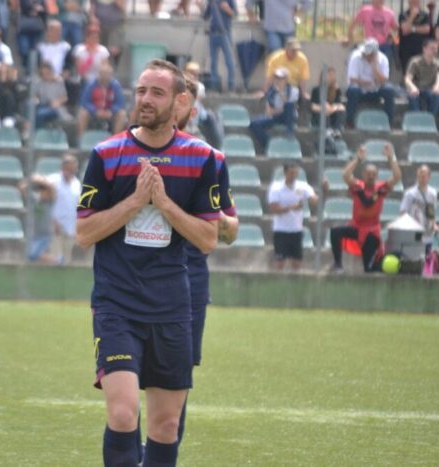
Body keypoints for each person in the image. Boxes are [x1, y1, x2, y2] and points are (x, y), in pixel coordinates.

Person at [76, 59, 220, 467]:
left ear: (179, 102)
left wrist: (164, 204)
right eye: (140, 91)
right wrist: (137, 201)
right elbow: (85, 233)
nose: (145, 100)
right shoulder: (106, 155)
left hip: (172, 305)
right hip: (116, 303)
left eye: (156, 93)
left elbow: (208, 238)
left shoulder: (201, 158)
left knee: (165, 426)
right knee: (123, 414)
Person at [174, 75, 238, 449]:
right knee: (125, 375)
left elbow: (230, 230)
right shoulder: (125, 150)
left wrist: (212, 221)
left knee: (178, 377)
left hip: (189, 279)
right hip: (132, 279)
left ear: (192, 109)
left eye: (183, 99)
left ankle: (163, 454)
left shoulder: (210, 160)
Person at [330, 144, 402, 274]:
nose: (371, 176)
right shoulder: (358, 186)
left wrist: (391, 158)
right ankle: (338, 265)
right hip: (357, 228)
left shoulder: (381, 188)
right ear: (363, 174)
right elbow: (346, 175)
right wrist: (358, 159)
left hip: (371, 232)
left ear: (377, 175)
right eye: (368, 173)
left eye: (374, 174)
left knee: (369, 269)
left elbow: (397, 177)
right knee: (335, 232)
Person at [267, 163, 319, 270]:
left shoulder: (303, 186)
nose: (294, 175)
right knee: (280, 262)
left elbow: (314, 200)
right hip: (281, 231)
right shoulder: (276, 187)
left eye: (295, 173)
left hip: (296, 230)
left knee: (296, 262)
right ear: (285, 173)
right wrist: (291, 207)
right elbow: (274, 209)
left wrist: (324, 192)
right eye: (291, 173)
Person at [345, 38, 395, 128]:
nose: (365, 55)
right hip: (360, 89)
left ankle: (389, 121)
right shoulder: (355, 57)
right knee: (353, 90)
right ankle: (349, 122)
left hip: (376, 90)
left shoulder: (383, 59)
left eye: (369, 54)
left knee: (389, 90)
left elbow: (384, 80)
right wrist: (368, 83)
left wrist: (375, 67)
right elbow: (352, 79)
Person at [249, 67, 299, 151]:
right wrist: (279, 110)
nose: (278, 80)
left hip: (289, 117)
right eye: (277, 78)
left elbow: (289, 106)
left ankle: (289, 132)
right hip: (276, 116)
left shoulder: (294, 90)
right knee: (254, 123)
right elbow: (268, 112)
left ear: (286, 79)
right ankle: (268, 145)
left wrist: (281, 93)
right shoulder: (271, 92)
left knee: (289, 106)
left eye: (281, 78)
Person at [48, 155, 82, 264]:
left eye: (74, 169)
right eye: (69, 168)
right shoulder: (52, 181)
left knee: (67, 262)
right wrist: (52, 221)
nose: (72, 171)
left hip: (70, 229)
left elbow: (78, 207)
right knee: (55, 261)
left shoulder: (76, 184)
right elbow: (44, 204)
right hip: (55, 228)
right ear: (63, 167)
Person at [77, 62, 127, 136]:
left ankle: (115, 139)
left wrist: (111, 111)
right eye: (103, 73)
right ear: (99, 74)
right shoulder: (91, 85)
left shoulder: (115, 86)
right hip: (94, 112)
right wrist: (95, 111)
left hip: (110, 113)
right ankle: (81, 139)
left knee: (122, 114)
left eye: (107, 74)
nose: (105, 76)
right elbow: (85, 101)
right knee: (82, 113)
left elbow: (120, 102)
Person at [400, 165, 439, 254]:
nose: (421, 179)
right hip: (413, 234)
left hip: (427, 234)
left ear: (429, 177)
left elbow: (431, 213)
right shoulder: (410, 194)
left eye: (424, 176)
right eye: (419, 176)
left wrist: (434, 225)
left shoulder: (433, 193)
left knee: (426, 261)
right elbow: (403, 212)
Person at [245, 0, 311, 53]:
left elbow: (308, 2)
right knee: (275, 52)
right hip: (272, 28)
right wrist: (251, 15)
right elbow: (249, 3)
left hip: (288, 29)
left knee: (289, 56)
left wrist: (298, 13)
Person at [20, 174, 59, 264]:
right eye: (42, 190)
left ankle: (58, 260)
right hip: (34, 234)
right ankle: (56, 260)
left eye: (45, 190)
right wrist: (30, 180)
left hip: (45, 235)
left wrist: (41, 180)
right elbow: (22, 189)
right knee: (30, 257)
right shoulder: (35, 200)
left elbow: (53, 189)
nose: (44, 192)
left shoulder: (50, 201)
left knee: (33, 255)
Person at [345, 0, 398, 64]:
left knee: (384, 71)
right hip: (369, 46)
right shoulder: (365, 11)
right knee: (368, 71)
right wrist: (349, 38)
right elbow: (353, 25)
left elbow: (396, 28)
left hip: (384, 46)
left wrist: (393, 39)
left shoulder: (390, 13)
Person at [405, 39, 439, 116]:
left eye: (436, 48)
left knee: (437, 95)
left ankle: (430, 119)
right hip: (417, 88)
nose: (435, 50)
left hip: (430, 89)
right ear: (424, 49)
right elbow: (408, 79)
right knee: (413, 96)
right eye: (432, 48)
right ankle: (418, 119)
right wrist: (412, 87)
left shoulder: (438, 63)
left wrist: (437, 87)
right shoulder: (415, 62)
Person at [203, 0, 236, 93]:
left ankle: (231, 86)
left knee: (229, 61)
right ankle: (214, 86)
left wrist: (227, 9)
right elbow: (206, 16)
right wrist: (200, 6)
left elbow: (235, 14)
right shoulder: (211, 1)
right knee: (213, 62)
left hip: (225, 33)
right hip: (213, 33)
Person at [33, 61, 73, 128]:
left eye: (48, 73)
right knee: (30, 109)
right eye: (44, 74)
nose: (46, 76)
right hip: (42, 105)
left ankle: (36, 133)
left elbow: (65, 97)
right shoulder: (39, 83)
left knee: (40, 113)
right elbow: (35, 95)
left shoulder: (59, 81)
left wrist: (58, 101)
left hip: (54, 108)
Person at [398, 0, 432, 74]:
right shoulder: (403, 15)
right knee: (407, 73)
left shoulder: (425, 15)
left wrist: (412, 29)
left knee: (420, 73)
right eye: (413, 1)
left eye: (417, 1)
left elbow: (427, 29)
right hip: (406, 50)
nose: (415, 2)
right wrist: (412, 16)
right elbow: (404, 30)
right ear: (409, 2)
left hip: (420, 49)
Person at [310, 66, 346, 132]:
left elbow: (340, 105)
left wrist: (332, 109)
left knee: (339, 113)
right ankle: (328, 132)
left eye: (332, 75)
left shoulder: (337, 90)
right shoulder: (316, 90)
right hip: (320, 115)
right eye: (329, 75)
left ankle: (336, 131)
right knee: (324, 116)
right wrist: (323, 109)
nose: (331, 77)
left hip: (332, 113)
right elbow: (313, 106)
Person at [89, 0, 125, 65]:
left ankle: (111, 70)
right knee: (100, 49)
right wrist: (92, 17)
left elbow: (122, 6)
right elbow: (92, 7)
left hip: (115, 26)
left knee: (114, 50)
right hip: (99, 26)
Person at [16, 0, 47, 71]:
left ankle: (31, 71)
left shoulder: (41, 1)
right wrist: (35, 7)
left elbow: (44, 12)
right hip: (24, 29)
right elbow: (25, 8)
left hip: (36, 29)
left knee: (34, 51)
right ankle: (26, 69)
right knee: (24, 50)